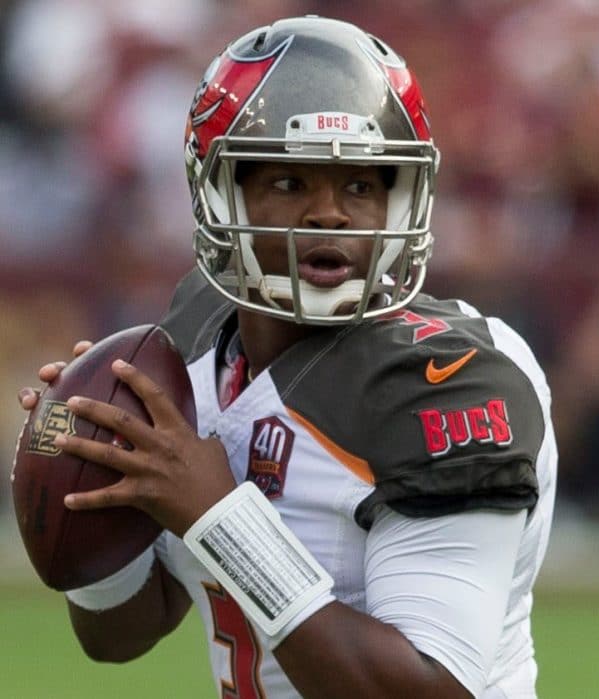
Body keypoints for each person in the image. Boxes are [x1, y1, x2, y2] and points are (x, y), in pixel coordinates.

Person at [17, 16, 557, 699]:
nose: (329, 213)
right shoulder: (194, 336)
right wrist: (84, 487)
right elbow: (122, 633)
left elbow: (430, 689)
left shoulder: (453, 382)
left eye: (360, 185)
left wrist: (221, 515)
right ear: (222, 192)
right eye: (290, 183)